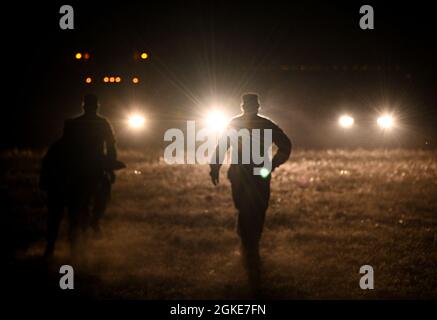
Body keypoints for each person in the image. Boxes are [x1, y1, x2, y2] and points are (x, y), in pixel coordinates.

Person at [209, 93, 291, 290]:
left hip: (243, 174)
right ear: (255, 106)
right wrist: (271, 165)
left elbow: (222, 146)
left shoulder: (237, 123)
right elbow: (286, 146)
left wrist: (215, 167)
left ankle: (248, 245)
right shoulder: (265, 124)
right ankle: (250, 245)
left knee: (250, 210)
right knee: (254, 210)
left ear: (246, 106)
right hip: (255, 175)